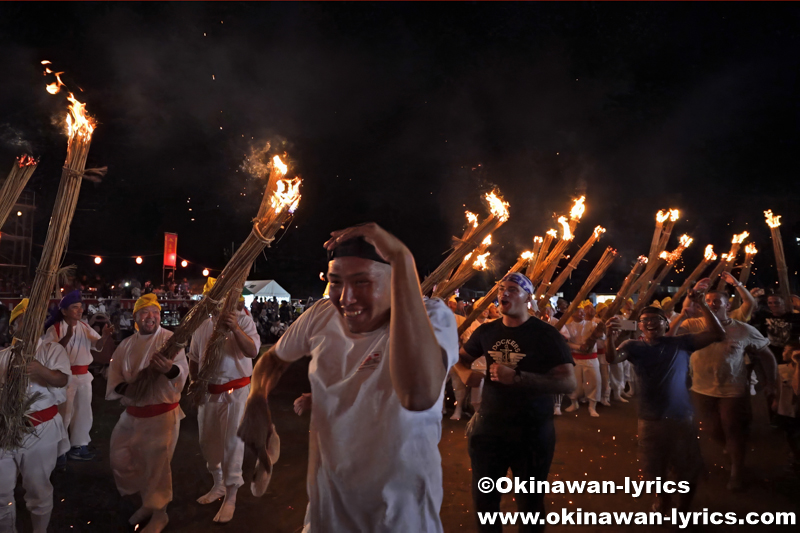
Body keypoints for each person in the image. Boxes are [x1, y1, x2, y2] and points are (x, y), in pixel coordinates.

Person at [238, 224, 458, 532]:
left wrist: (401, 258)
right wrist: (256, 399)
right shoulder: (320, 314)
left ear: (396, 281)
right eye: (336, 282)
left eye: (362, 282)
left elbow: (417, 395)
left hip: (400, 520)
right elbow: (273, 359)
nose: (346, 298)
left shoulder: (433, 317)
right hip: (325, 516)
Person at [460, 272, 575, 532]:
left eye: (513, 289)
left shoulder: (546, 335)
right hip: (488, 431)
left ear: (527, 298)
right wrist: (465, 373)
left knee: (530, 505)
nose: (504, 293)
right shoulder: (486, 331)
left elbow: (569, 383)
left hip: (532, 434)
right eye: (502, 289)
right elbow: (461, 359)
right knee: (485, 503)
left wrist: (519, 378)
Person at [604, 291, 725, 513]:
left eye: (656, 320)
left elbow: (717, 334)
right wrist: (610, 337)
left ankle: (684, 507)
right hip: (650, 417)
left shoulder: (681, 343)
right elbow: (612, 358)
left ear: (666, 323)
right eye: (645, 320)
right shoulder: (633, 346)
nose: (650, 324)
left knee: (686, 465)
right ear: (639, 326)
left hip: (680, 417)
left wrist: (702, 306)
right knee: (654, 466)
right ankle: (663, 500)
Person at [670, 282, 777, 491]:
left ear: (727, 306)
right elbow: (669, 337)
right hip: (702, 389)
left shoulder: (743, 329)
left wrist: (771, 383)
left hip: (733, 389)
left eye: (716, 301)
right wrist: (683, 313)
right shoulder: (694, 325)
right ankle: (730, 448)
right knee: (712, 430)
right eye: (707, 301)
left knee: (733, 429)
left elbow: (767, 356)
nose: (711, 304)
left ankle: (737, 470)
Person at [106, 294, 188, 532]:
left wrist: (169, 369)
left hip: (161, 415)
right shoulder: (127, 345)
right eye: (145, 312)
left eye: (155, 312)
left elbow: (182, 371)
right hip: (132, 414)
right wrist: (131, 389)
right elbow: (116, 378)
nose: (150, 316)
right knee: (120, 457)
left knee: (156, 466)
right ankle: (147, 502)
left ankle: (159, 513)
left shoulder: (169, 340)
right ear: (136, 318)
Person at [188, 290, 260, 523]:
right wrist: (194, 383)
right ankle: (218, 484)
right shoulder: (202, 326)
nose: (219, 306)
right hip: (209, 393)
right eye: (216, 302)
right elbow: (194, 358)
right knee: (207, 441)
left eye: (224, 302)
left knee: (232, 444)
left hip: (235, 394)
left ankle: (231, 495)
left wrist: (236, 328)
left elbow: (253, 351)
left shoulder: (245, 320)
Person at [0, 300, 70, 533]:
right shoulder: (3, 356)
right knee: (1, 491)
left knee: (37, 488)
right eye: (23, 320)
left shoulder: (51, 350)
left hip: (40, 430)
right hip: (4, 431)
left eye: (35, 319)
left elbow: (62, 380)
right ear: (13, 328)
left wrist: (41, 370)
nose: (31, 324)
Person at [42, 290, 113, 461]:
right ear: (64, 311)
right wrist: (66, 337)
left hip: (83, 376)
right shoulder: (55, 328)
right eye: (75, 307)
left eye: (81, 307)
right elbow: (50, 352)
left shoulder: (84, 326)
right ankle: (60, 450)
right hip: (63, 378)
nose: (80, 311)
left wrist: (104, 337)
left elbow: (97, 345)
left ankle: (79, 445)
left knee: (83, 411)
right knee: (64, 413)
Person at [560, 302, 604, 417]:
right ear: (572, 313)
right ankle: (574, 403)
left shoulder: (592, 324)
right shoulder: (567, 326)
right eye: (579, 311)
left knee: (594, 381)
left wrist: (601, 333)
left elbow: (602, 336)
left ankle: (592, 406)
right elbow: (567, 343)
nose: (582, 313)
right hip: (576, 358)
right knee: (575, 383)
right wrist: (579, 347)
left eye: (582, 311)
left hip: (591, 359)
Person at [774, 341, 800, 477]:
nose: (784, 353)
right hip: (786, 409)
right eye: (784, 350)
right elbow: (777, 387)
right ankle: (795, 456)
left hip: (798, 409)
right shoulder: (781, 368)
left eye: (788, 351)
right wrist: (776, 401)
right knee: (790, 434)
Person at [751, 292, 800, 363]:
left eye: (777, 302)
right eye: (770, 303)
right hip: (771, 354)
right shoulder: (763, 317)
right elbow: (750, 310)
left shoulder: (794, 318)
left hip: (790, 354)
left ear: (783, 303)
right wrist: (754, 296)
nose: (773, 305)